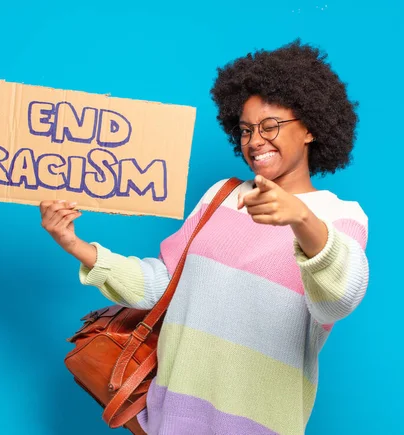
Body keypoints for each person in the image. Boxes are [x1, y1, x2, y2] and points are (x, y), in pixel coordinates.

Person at [39, 39, 369, 435]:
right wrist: (77, 245)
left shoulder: (338, 217)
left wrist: (301, 219)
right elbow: (161, 285)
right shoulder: (221, 196)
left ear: (311, 129)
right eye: (246, 130)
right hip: (171, 420)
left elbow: (339, 300)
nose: (255, 141)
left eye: (270, 126)